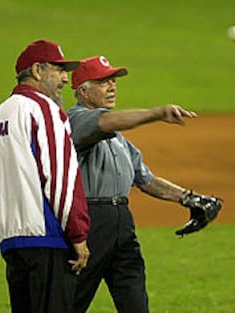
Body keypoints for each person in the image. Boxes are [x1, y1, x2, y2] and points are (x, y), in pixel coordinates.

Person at [67, 55, 205, 313]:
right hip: (91, 223)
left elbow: (145, 179)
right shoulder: (75, 121)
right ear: (82, 91)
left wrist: (189, 198)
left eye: (113, 81)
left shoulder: (116, 136)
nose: (112, 87)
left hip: (122, 224)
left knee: (135, 303)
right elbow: (105, 122)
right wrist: (158, 113)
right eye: (103, 81)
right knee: (71, 302)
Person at [0, 40, 90, 313]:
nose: (66, 78)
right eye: (59, 70)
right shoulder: (43, 109)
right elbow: (60, 178)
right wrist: (78, 235)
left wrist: (1, 235)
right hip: (47, 237)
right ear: (38, 70)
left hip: (12, 241)